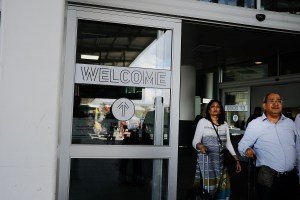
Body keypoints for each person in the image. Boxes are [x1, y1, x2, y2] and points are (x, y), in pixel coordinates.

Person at [238, 92, 299, 200]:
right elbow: (242, 145)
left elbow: (295, 147)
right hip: (269, 179)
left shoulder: (290, 123)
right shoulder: (255, 124)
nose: (276, 103)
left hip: (290, 178)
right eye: (272, 101)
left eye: (279, 101)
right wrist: (247, 149)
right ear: (264, 105)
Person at [192, 99, 241, 199]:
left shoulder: (225, 124)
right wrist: (200, 146)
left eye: (217, 107)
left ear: (220, 110)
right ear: (209, 110)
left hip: (221, 162)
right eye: (212, 106)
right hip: (206, 162)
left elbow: (228, 143)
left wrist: (237, 160)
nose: (215, 108)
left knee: (221, 189)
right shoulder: (203, 122)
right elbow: (195, 141)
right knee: (208, 190)